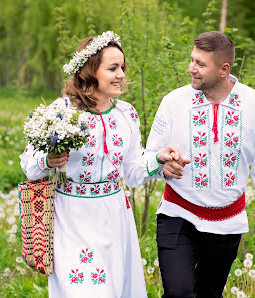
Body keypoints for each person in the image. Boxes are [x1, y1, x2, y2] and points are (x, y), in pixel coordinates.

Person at [20, 31, 184, 298]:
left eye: (122, 67)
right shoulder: (63, 110)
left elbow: (131, 171)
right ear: (90, 71)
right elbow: (29, 164)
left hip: (114, 214)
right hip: (71, 216)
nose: (120, 74)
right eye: (112, 68)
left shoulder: (126, 113)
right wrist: (47, 160)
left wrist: (158, 158)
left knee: (115, 289)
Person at [146, 31, 255, 297]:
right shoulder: (173, 102)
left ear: (224, 69)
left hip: (227, 223)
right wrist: (162, 164)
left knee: (209, 294)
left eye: (201, 64)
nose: (192, 68)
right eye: (192, 60)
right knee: (178, 293)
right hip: (178, 215)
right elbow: (151, 153)